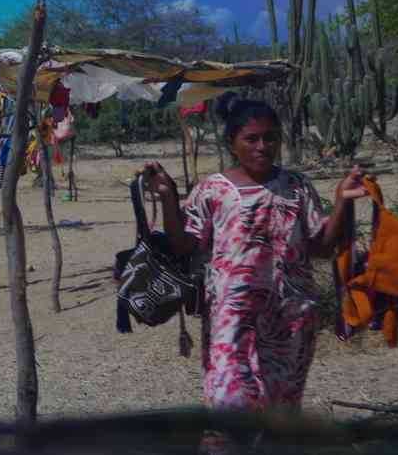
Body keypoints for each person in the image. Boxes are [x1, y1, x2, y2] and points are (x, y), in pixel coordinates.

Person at [141, 93, 371, 453]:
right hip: (232, 319)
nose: (263, 146)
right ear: (232, 142)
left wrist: (342, 199)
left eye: (271, 137)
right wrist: (169, 196)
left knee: (282, 409)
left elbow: (322, 246)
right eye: (252, 138)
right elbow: (184, 245)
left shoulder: (296, 186)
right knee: (228, 404)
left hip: (290, 317)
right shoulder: (213, 190)